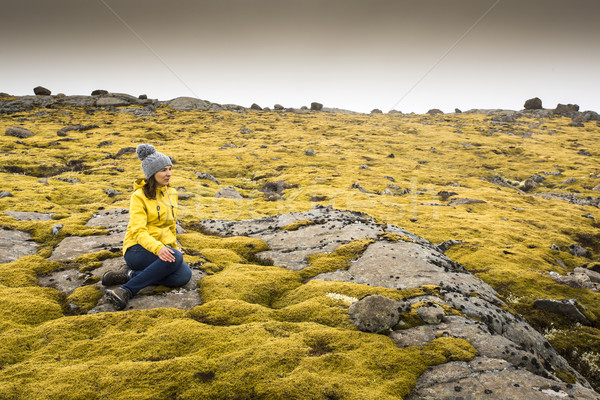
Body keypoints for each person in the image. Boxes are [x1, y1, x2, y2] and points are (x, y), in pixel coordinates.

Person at [103, 143, 192, 310]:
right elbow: (138, 231)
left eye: (169, 169)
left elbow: (170, 226)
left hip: (160, 248)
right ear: (152, 173)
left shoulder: (171, 193)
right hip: (137, 250)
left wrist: (173, 246)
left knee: (183, 276)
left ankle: (128, 275)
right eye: (163, 170)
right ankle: (126, 291)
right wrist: (159, 248)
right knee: (176, 259)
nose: (169, 174)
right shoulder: (138, 196)